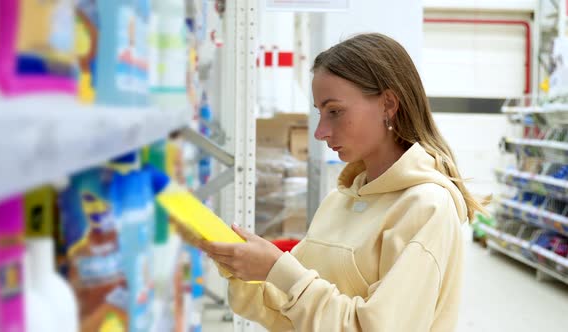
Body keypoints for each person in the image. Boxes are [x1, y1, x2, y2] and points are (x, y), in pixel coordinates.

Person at [186, 33, 489, 331]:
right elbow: (286, 313)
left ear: (388, 104)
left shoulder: (426, 207)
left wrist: (278, 269)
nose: (320, 132)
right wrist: (242, 265)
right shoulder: (340, 200)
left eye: (335, 112)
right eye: (320, 113)